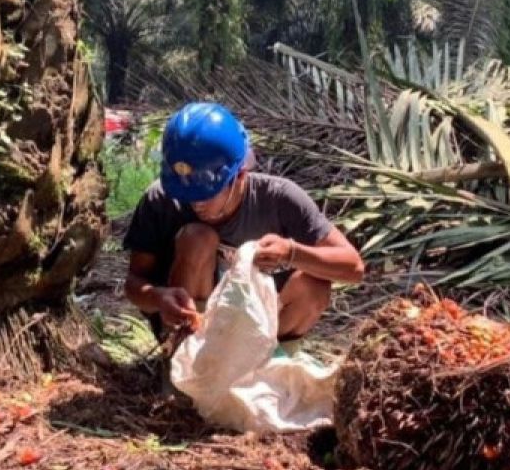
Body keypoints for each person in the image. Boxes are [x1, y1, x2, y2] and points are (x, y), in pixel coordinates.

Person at [123, 102, 364, 342]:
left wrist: (292, 252)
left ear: (240, 175)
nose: (195, 204)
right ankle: (186, 354)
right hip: (195, 332)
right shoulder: (160, 199)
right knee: (197, 238)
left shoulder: (280, 199)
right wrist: (157, 297)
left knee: (315, 284)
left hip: (260, 333)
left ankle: (268, 363)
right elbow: (134, 282)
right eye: (185, 194)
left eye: (205, 194)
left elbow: (353, 268)